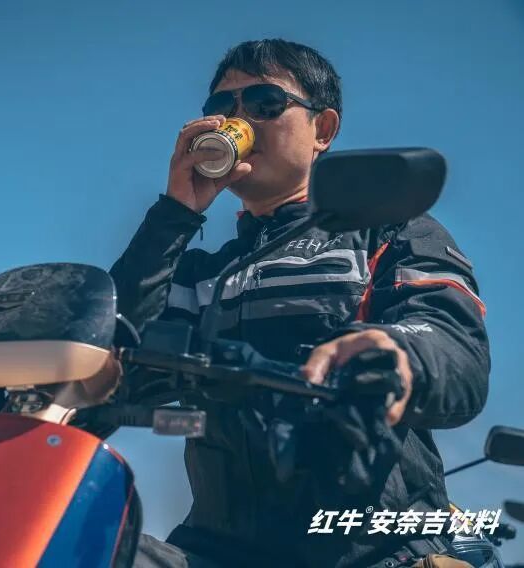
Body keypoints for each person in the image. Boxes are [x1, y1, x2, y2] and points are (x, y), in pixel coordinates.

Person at [110, 39, 490, 568]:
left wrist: (396, 354)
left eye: (264, 102)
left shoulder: (387, 229)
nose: (239, 119)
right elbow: (112, 351)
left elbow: (453, 343)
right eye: (222, 106)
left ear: (323, 130)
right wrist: (175, 212)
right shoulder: (200, 273)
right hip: (216, 549)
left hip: (374, 550)